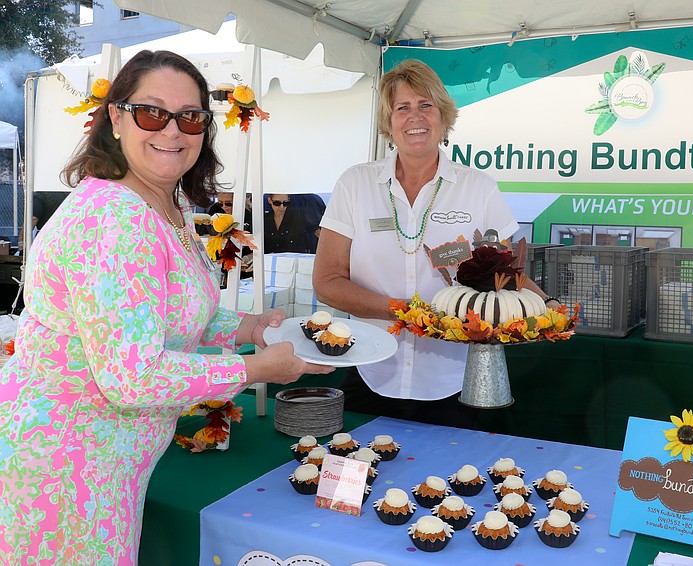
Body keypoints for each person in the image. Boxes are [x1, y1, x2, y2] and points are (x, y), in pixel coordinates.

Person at [0, 50, 333, 564]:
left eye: (191, 116)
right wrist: (255, 368)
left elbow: (166, 311)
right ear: (116, 116)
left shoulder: (163, 203)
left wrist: (250, 326)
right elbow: (132, 378)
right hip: (63, 467)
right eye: (152, 112)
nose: (172, 130)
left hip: (101, 462)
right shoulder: (116, 219)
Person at [313, 59, 557, 429]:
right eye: (403, 108)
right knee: (360, 475)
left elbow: (506, 275)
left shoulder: (478, 188)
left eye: (426, 105)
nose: (416, 117)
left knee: (453, 480)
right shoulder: (355, 184)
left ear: (443, 117)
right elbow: (327, 282)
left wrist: (548, 306)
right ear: (388, 122)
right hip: (369, 371)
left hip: (454, 380)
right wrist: (404, 313)